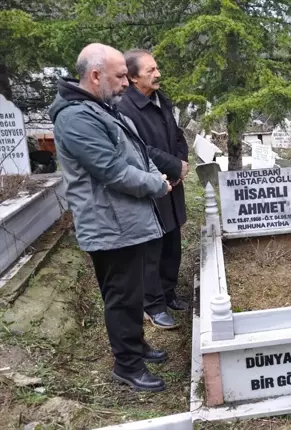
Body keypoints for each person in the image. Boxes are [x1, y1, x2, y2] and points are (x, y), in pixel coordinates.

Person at [49, 43, 171, 392]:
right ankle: (127, 365)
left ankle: (137, 346)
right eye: (120, 76)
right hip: (109, 225)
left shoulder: (101, 108)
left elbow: (138, 152)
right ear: (96, 75)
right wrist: (155, 184)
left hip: (125, 221)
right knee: (122, 295)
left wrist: (153, 175)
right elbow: (112, 171)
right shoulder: (77, 117)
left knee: (132, 291)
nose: (125, 83)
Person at [119, 49, 190, 330]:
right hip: (151, 184)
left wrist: (181, 164)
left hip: (172, 181)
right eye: (150, 70)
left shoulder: (161, 100)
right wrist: (173, 167)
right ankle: (153, 304)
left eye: (156, 68)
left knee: (172, 241)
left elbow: (177, 136)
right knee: (153, 247)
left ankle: (169, 292)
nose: (158, 74)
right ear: (134, 77)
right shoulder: (125, 109)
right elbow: (138, 149)